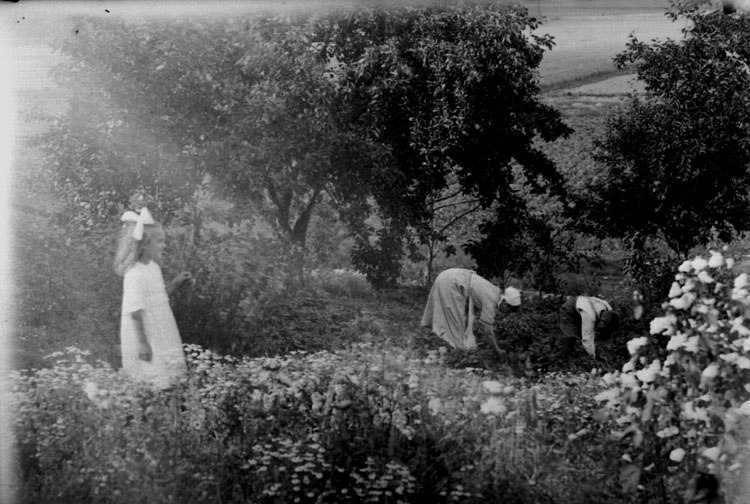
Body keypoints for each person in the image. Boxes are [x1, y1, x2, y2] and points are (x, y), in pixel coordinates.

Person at [113, 208, 193, 390]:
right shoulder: (134, 273)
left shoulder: (153, 267)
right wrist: (142, 343)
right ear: (144, 245)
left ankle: (167, 398)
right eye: (160, 241)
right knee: (151, 373)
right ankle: (149, 400)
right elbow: (135, 311)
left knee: (167, 371)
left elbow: (158, 296)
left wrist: (176, 282)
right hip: (145, 330)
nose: (164, 245)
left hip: (161, 324)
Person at [421, 268, 522, 356]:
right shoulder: (492, 301)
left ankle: (433, 340)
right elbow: (488, 332)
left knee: (454, 319)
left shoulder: (495, 291)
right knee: (455, 324)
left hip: (447, 276)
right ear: (505, 303)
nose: (505, 313)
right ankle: (454, 352)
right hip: (452, 282)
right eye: (508, 311)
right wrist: (497, 350)